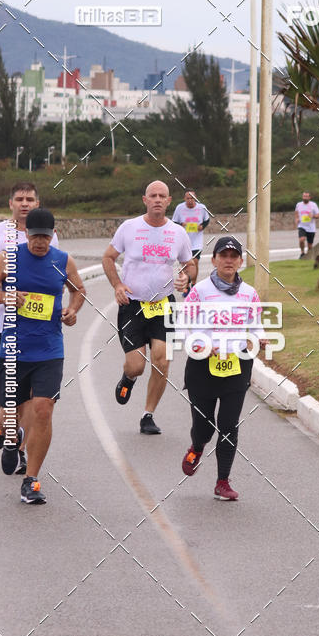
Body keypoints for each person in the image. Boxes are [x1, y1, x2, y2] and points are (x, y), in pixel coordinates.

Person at [0, 208, 85, 504]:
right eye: (35, 237)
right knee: (10, 413)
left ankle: (31, 480)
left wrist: (72, 310)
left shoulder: (62, 260)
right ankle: (12, 441)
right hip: (13, 347)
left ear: (51, 236)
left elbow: (78, 290)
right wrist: (5, 296)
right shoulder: (9, 257)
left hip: (49, 349)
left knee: (43, 409)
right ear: (26, 234)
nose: (40, 243)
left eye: (45, 238)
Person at [102, 180, 196, 435]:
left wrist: (187, 277)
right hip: (132, 306)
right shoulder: (129, 228)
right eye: (152, 195)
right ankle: (128, 378)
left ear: (168, 201)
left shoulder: (178, 232)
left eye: (162, 196)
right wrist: (117, 284)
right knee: (136, 365)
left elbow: (190, 264)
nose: (157, 199)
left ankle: (148, 415)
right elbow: (108, 257)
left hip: (163, 305)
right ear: (145, 200)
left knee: (162, 361)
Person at [0, 182, 59, 475]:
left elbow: (55, 277)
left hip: (33, 331)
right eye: (19, 199)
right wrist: (4, 297)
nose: (25, 204)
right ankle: (6, 426)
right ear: (10, 202)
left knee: (27, 396)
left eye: (30, 199)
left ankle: (18, 446)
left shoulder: (51, 235)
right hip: (1, 325)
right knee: (6, 397)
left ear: (37, 203)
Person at [180, 236, 266, 501]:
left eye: (234, 256)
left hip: (237, 366)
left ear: (240, 261)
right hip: (202, 367)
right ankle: (196, 447)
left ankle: (222, 482)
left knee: (229, 425)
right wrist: (203, 346)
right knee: (205, 428)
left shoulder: (249, 293)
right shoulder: (200, 291)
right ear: (214, 260)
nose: (229, 261)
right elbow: (184, 325)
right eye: (223, 256)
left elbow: (255, 324)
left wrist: (260, 337)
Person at [172, 190, 210, 295]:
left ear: (195, 198)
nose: (190, 200)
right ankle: (186, 287)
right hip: (183, 241)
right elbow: (174, 222)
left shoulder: (202, 208)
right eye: (188, 198)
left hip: (197, 241)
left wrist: (202, 226)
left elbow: (207, 220)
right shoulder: (179, 208)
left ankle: (193, 284)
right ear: (184, 199)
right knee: (185, 265)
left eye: (192, 198)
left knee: (195, 262)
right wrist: (181, 225)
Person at [295, 192, 319, 258]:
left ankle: (308, 256)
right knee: (301, 239)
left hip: (311, 228)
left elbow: (318, 215)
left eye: (306, 196)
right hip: (302, 226)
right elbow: (296, 212)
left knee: (310, 246)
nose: (305, 197)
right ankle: (302, 253)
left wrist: (313, 216)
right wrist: (297, 218)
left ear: (309, 197)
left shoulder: (313, 205)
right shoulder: (299, 204)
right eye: (304, 196)